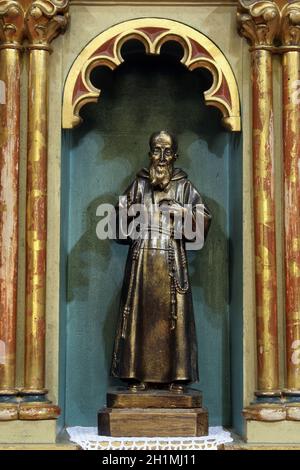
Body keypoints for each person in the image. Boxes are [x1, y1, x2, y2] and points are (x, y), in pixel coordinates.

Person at [111, 130, 211, 392]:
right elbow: (118, 226)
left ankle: (176, 377)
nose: (162, 157)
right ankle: (136, 375)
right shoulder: (138, 185)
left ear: (175, 155)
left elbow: (202, 225)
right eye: (157, 150)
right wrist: (129, 212)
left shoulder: (184, 187)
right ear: (149, 153)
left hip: (171, 258)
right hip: (142, 258)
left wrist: (180, 211)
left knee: (174, 318)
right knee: (139, 316)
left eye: (167, 151)